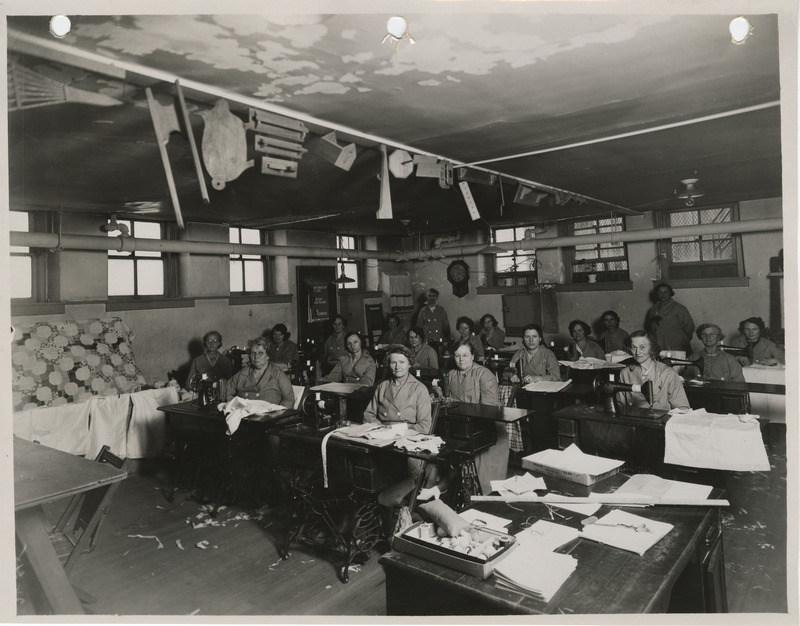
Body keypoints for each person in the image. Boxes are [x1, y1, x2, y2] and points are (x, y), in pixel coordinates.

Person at [364, 345, 437, 517]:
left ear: (410, 363)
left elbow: (425, 426)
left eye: (402, 362)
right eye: (393, 362)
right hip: (383, 442)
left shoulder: (419, 389)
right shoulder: (382, 387)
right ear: (388, 364)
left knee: (395, 486)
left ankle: (403, 512)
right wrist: (380, 429)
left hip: (408, 446)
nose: (397, 367)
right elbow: (368, 414)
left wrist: (397, 431)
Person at [439, 339, 505, 494]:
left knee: (487, 485)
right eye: (457, 355)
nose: (461, 359)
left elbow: (489, 410)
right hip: (460, 426)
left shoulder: (484, 374)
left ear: (473, 356)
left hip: (484, 427)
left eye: (465, 355)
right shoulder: (451, 375)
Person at [617, 331, 689, 411]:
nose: (637, 352)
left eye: (642, 347)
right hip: (633, 420)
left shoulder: (668, 373)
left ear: (651, 347)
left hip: (661, 421)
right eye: (634, 347)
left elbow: (683, 409)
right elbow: (620, 406)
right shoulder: (625, 373)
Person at [219, 337, 294, 408]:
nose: (256, 357)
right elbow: (227, 390)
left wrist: (278, 414)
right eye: (253, 353)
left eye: (260, 353)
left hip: (270, 418)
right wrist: (234, 405)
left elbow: (289, 400)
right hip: (244, 416)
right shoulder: (243, 373)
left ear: (268, 355)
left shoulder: (278, 374)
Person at [645, 283, 695, 354]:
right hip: (659, 346)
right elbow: (651, 328)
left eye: (666, 292)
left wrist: (681, 341)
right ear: (657, 294)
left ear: (670, 293)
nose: (663, 294)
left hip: (677, 347)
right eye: (660, 292)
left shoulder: (679, 308)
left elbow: (690, 327)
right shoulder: (653, 310)